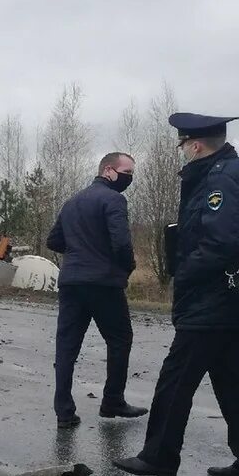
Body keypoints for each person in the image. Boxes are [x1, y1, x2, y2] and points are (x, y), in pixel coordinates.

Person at [115, 112, 239, 476]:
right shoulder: (219, 174)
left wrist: (185, 274)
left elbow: (222, 242)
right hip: (223, 300)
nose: (183, 150)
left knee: (175, 379)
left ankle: (159, 457)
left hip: (212, 298)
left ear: (196, 145)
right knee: (231, 380)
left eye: (183, 144)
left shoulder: (221, 179)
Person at [46, 152, 147, 428]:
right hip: (103, 284)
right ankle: (112, 401)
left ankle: (64, 412)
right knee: (120, 339)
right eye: (127, 172)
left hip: (71, 283)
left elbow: (53, 241)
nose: (130, 178)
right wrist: (127, 267)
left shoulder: (72, 202)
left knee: (66, 347)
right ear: (108, 171)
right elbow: (122, 245)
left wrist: (79, 250)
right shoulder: (114, 200)